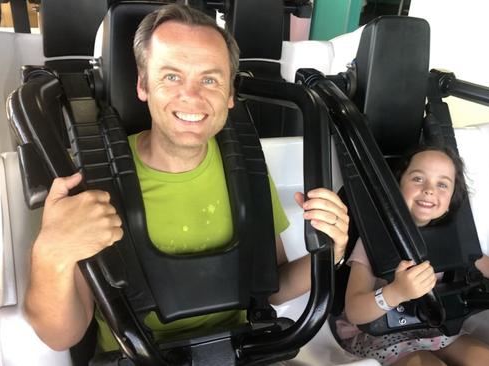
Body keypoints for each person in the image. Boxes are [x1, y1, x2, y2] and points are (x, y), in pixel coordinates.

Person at [24, 4, 349, 353]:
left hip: (237, 352)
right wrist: (51, 255)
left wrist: (331, 251)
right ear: (143, 84)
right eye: (171, 76)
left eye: (209, 79)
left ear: (229, 95)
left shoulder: (246, 169)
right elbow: (60, 336)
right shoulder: (92, 178)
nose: (191, 96)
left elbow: (271, 287)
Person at [337, 145, 489, 366]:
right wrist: (396, 292)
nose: (429, 190)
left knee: (487, 360)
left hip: (433, 328)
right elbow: (355, 312)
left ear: (451, 200)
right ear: (397, 186)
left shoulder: (454, 239)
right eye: (417, 179)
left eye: (442, 184)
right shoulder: (375, 239)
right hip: (377, 335)